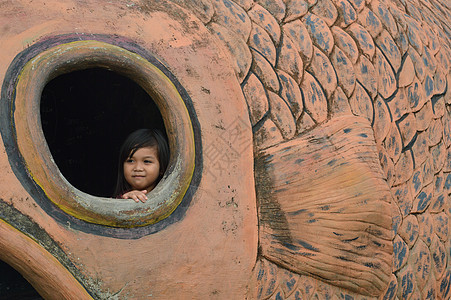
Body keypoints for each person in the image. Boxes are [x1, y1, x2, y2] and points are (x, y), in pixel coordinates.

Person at [114, 129, 169, 203]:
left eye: (147, 161)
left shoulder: (168, 198)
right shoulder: (119, 199)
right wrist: (127, 200)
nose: (138, 168)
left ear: (161, 168)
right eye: (131, 161)